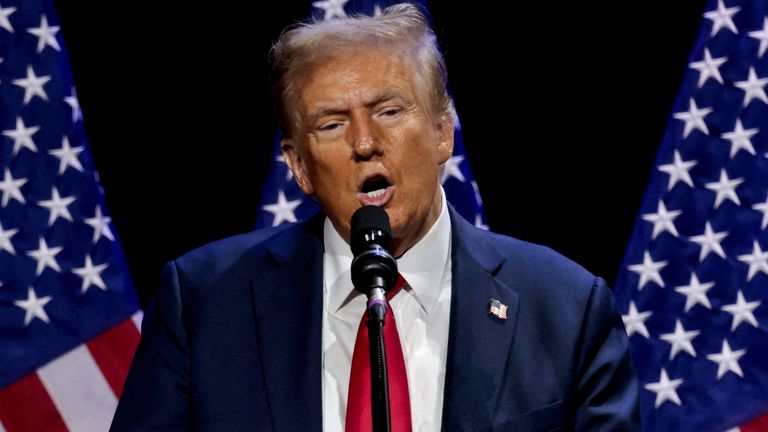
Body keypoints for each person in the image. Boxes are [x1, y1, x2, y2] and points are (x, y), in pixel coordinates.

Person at [111, 4, 640, 431]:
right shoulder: (206, 302)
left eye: (389, 111)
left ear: (442, 131)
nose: (365, 143)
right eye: (332, 125)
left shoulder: (565, 308)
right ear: (299, 166)